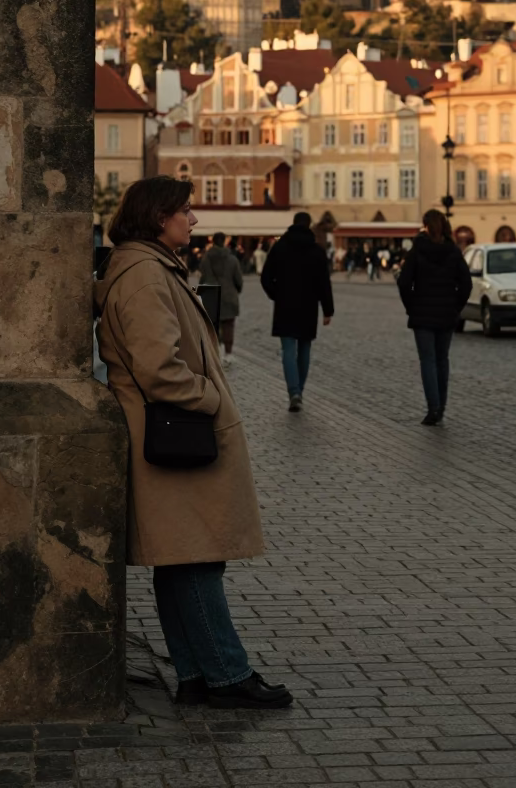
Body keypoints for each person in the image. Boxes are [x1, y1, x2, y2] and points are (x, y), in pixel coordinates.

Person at [94, 176, 291, 709]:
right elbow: (159, 369)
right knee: (198, 558)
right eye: (186, 210)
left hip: (167, 437)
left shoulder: (148, 268)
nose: (193, 219)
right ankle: (227, 675)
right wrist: (212, 399)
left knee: (180, 558)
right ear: (160, 217)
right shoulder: (143, 276)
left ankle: (194, 675)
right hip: (175, 436)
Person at [397, 208, 472, 426]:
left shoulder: (417, 249)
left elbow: (404, 283)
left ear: (426, 227)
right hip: (446, 314)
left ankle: (433, 408)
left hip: (423, 315)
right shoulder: (453, 251)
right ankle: (442, 407)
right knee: (442, 360)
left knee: (428, 361)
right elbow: (466, 283)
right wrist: (456, 306)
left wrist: (412, 306)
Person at [260, 211, 334, 412]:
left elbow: (266, 277)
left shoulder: (280, 247)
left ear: (292, 224)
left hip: (285, 305)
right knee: (304, 349)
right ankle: (299, 391)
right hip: (308, 306)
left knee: (288, 349)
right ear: (309, 225)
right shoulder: (317, 251)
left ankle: (293, 391)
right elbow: (324, 284)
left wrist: (277, 294)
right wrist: (328, 310)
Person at [199, 232, 243, 362]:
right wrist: (237, 290)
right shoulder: (232, 259)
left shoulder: (206, 259)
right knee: (228, 326)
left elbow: (203, 276)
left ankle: (215, 352)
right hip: (229, 295)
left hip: (211, 294)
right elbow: (238, 280)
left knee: (213, 327)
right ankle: (228, 354)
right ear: (225, 242)